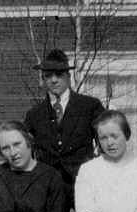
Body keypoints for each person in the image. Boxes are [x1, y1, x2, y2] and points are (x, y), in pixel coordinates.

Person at [22, 48, 105, 193]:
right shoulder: (34, 114)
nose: (54, 80)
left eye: (59, 74)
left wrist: (99, 169)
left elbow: (105, 138)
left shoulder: (90, 106)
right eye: (48, 76)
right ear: (43, 79)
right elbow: (25, 148)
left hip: (84, 182)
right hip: (48, 185)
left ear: (68, 76)